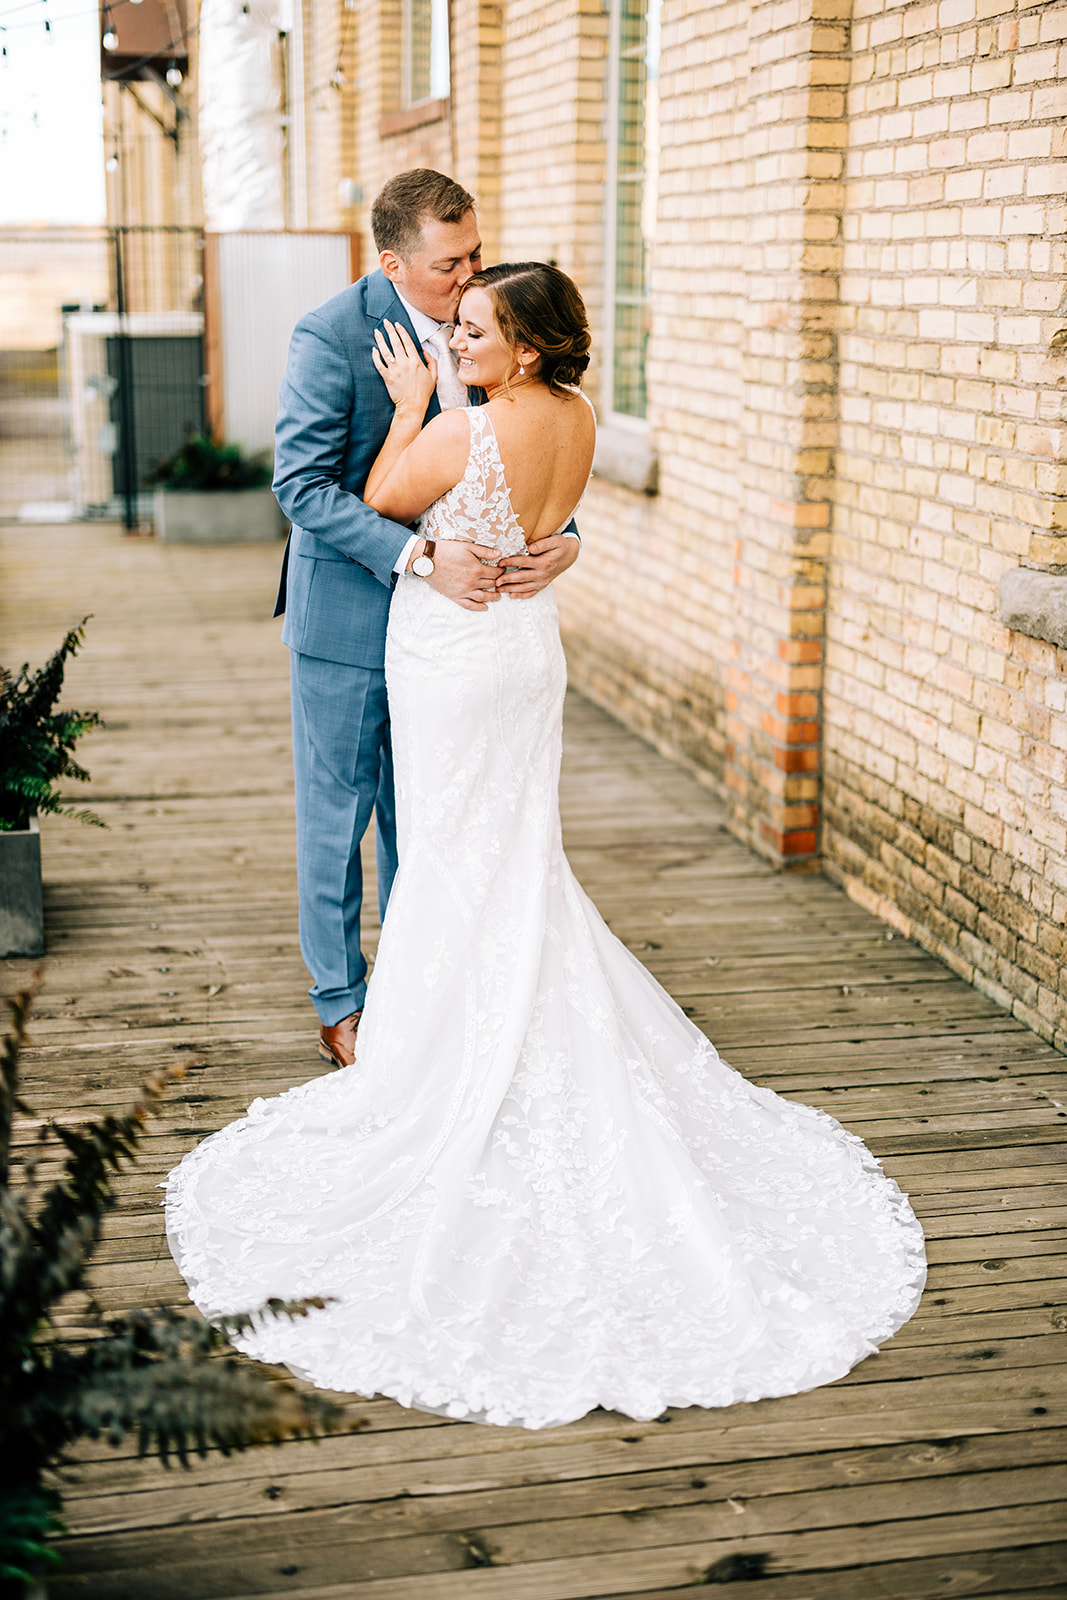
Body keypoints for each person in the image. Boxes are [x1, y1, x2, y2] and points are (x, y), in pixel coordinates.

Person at [166, 264, 926, 1431]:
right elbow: (553, 517)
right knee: (506, 851)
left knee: (455, 858)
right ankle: (504, 1010)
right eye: (453, 323)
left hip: (455, 657)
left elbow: (375, 491)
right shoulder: (571, 416)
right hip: (523, 647)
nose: (455, 336)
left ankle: (446, 1059)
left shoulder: (467, 427)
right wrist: (547, 532)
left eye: (474, 329)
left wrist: (418, 409)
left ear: (521, 348)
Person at [272, 169, 578, 1073]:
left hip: (460, 636)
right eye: (451, 263)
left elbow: (525, 443)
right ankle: (341, 1002)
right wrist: (416, 557)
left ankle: (421, 989)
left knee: (430, 814)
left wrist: (566, 536)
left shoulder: (492, 327)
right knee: (339, 814)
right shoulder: (329, 334)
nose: (469, 275)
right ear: (395, 261)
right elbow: (301, 486)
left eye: (477, 253)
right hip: (352, 618)